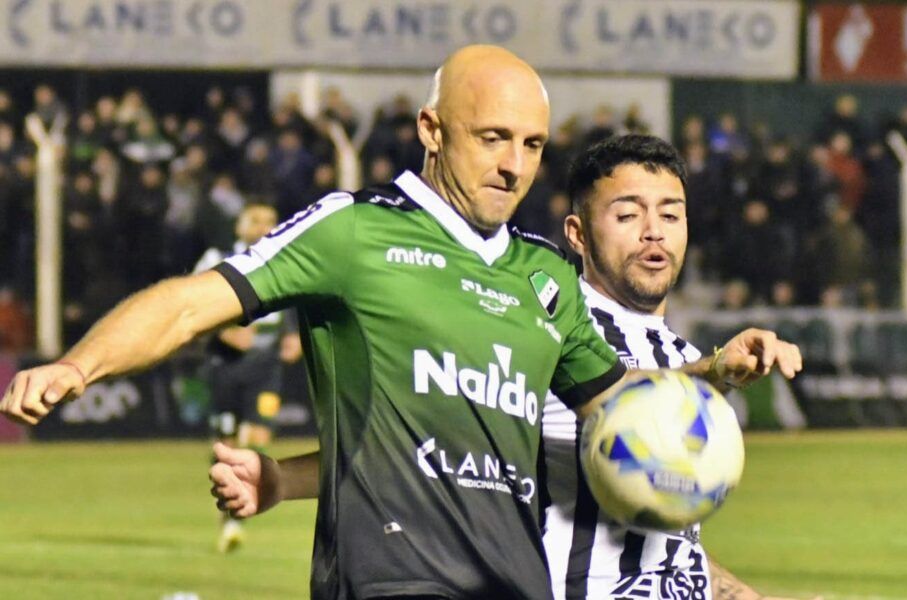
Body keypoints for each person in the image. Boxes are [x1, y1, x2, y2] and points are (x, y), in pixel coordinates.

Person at [1, 46, 800, 600]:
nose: (514, 165)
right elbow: (189, 303)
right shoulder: (354, 232)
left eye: (531, 144)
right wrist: (79, 366)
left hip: (517, 583)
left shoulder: (545, 276)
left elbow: (617, 404)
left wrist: (711, 374)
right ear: (431, 130)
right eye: (493, 138)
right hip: (390, 575)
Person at [543, 134, 809, 600]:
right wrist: (713, 372)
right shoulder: (546, 334)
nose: (654, 232)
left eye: (670, 215)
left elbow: (670, 547)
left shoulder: (676, 353)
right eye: (627, 215)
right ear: (578, 234)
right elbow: (619, 397)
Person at [193, 202, 302, 553]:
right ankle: (229, 512)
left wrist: (293, 333)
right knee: (226, 443)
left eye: (270, 220)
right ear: (239, 225)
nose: (263, 227)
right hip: (226, 364)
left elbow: (291, 299)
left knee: (258, 436)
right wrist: (224, 330)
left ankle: (238, 512)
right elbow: (192, 303)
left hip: (266, 365)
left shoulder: (284, 257)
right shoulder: (218, 258)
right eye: (255, 220)